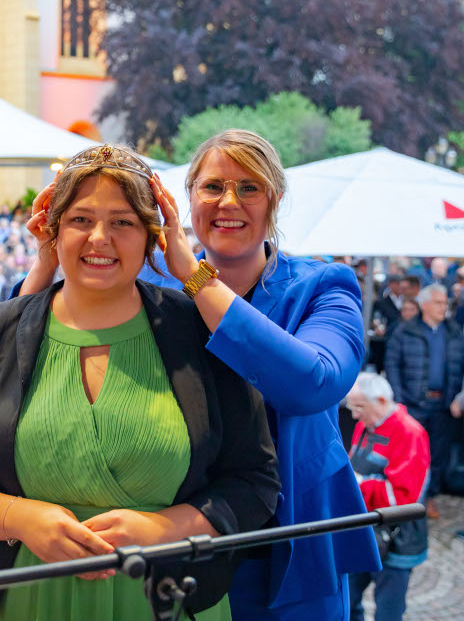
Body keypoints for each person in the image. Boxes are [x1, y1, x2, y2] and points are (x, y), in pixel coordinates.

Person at [20, 130, 380, 620]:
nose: (229, 202)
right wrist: (45, 260)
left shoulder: (323, 287)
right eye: (212, 186)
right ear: (186, 199)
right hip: (181, 542)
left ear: (275, 200)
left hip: (290, 544)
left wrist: (195, 276)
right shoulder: (152, 288)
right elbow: (24, 358)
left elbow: (312, 385)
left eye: (249, 188)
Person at [0, 144, 280, 621]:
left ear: (152, 236)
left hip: (168, 599)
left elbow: (254, 481)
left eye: (122, 222)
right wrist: (21, 519)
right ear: (53, 230)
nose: (100, 238)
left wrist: (167, 528)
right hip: (25, 598)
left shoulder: (201, 331)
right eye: (81, 220)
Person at [345, 374, 429, 621]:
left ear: (381, 401)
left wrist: (358, 484)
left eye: (359, 407)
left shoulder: (409, 433)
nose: (354, 415)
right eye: (351, 407)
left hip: (396, 542)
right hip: (363, 531)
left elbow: (402, 499)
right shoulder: (365, 425)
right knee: (347, 601)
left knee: (388, 611)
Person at [383, 283, 463, 519]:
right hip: (412, 404)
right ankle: (408, 498)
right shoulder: (404, 330)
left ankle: (429, 497)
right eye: (438, 303)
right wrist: (399, 401)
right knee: (410, 453)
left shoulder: (454, 332)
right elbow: (392, 365)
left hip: (444, 405)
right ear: (424, 304)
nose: (443, 307)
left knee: (437, 454)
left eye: (445, 303)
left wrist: (458, 398)